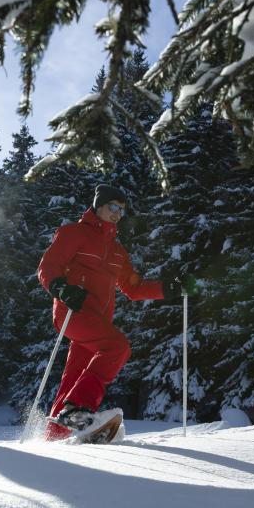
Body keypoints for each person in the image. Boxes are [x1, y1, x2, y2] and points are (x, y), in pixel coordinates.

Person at [38, 184, 188, 441]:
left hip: (97, 321)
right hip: (72, 311)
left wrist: (168, 289)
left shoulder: (118, 252)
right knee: (117, 347)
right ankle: (76, 411)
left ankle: (56, 437)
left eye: (122, 210)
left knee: (73, 378)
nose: (117, 213)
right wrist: (60, 287)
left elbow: (133, 288)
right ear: (98, 205)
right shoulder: (74, 233)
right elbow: (49, 265)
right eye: (113, 207)